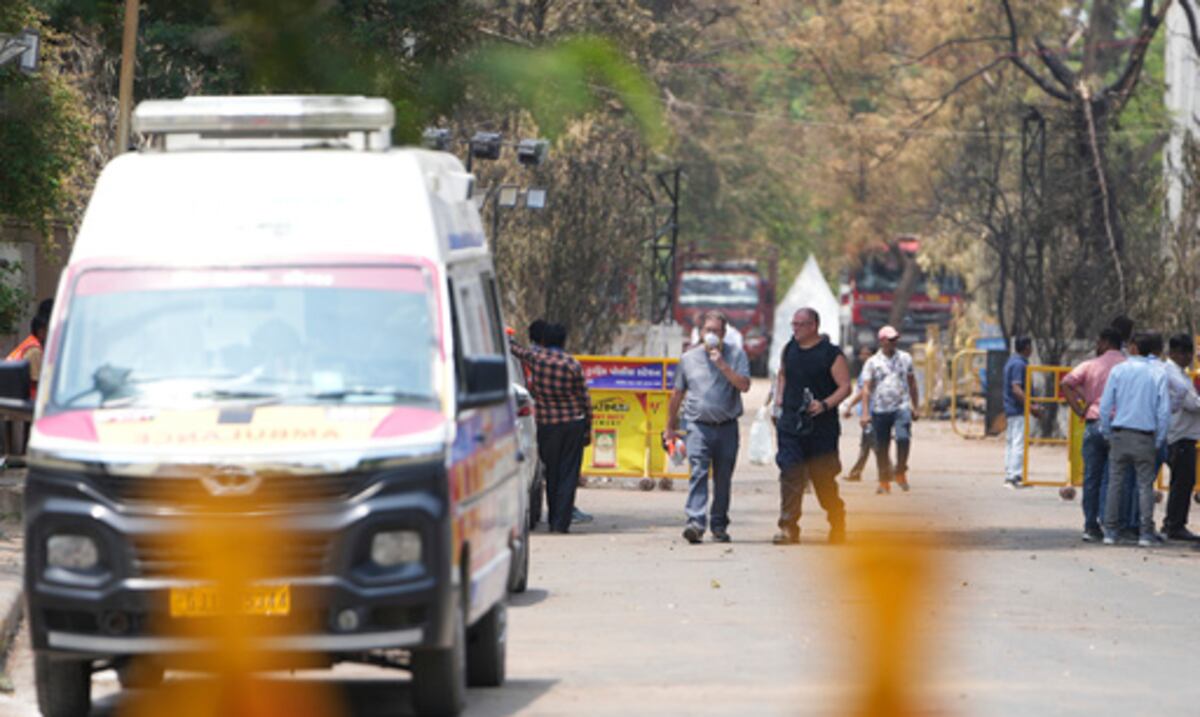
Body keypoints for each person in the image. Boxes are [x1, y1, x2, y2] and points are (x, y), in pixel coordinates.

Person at [664, 310, 750, 544]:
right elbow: (677, 393)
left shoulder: (736, 355)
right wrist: (670, 426)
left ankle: (719, 525)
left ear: (724, 333)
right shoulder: (688, 359)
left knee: (723, 478)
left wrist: (723, 365)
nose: (712, 335)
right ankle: (695, 523)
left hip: (727, 426)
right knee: (698, 473)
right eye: (708, 330)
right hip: (697, 426)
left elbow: (744, 385)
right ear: (700, 332)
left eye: (717, 331)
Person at [771, 307, 851, 545]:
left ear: (813, 326)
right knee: (790, 473)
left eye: (800, 324)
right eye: (793, 324)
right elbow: (782, 374)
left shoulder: (831, 354)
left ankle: (837, 521)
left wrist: (825, 404)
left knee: (823, 480)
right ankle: (788, 527)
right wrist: (779, 399)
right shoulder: (789, 349)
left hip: (821, 428)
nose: (795, 329)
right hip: (791, 424)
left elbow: (845, 387)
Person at [511, 322, 592, 534]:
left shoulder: (536, 358)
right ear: (563, 342)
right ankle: (560, 523)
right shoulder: (572, 364)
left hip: (547, 424)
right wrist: (588, 427)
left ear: (545, 340)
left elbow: (516, 350)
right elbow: (584, 398)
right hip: (573, 424)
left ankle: (553, 517)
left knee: (552, 473)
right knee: (569, 474)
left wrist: (507, 337)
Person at [1098, 332, 1171, 547]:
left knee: (1115, 483)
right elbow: (1164, 411)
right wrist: (1159, 439)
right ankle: (1145, 533)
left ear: (1134, 347)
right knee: (1144, 486)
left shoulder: (1119, 370)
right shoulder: (1158, 373)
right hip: (1145, 436)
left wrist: (1107, 432)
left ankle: (1111, 531)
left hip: (1120, 433)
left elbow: (1105, 406)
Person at [1060, 328, 1125, 542]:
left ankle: (1090, 526)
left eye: (1099, 341)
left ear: (1105, 342)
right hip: (1119, 426)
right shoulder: (1127, 366)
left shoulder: (1090, 365)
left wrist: (1079, 410)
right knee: (1112, 478)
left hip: (1093, 423)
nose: (1097, 345)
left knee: (1091, 477)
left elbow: (1066, 383)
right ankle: (1109, 524)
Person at [860, 325, 918, 494]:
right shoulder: (872, 362)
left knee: (903, 438)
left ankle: (900, 470)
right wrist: (865, 413)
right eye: (890, 340)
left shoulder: (905, 358)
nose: (894, 342)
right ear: (882, 341)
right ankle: (884, 481)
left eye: (895, 339)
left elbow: (912, 383)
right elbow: (866, 388)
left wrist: (915, 406)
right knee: (882, 447)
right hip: (880, 409)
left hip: (901, 406)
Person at [1162, 334, 1200, 541]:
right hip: (1180, 435)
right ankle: (1175, 525)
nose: (1189, 358)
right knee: (1183, 481)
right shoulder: (1174, 375)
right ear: (1175, 353)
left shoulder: (1179, 373)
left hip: (1181, 434)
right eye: (1185, 354)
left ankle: (1172, 522)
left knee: (1182, 481)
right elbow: (1193, 404)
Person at [1002, 337, 1038, 489]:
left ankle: (1009, 474)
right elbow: (1016, 388)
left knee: (1011, 443)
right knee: (1018, 443)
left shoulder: (1012, 361)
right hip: (1017, 409)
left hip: (1011, 409)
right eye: (1030, 346)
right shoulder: (1019, 364)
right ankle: (1015, 476)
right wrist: (1031, 406)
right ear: (1026, 347)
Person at [842, 344, 876, 482]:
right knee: (867, 444)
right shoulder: (865, 371)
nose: (864, 357)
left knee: (872, 443)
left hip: (871, 412)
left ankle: (889, 470)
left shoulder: (871, 371)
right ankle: (856, 473)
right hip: (866, 413)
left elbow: (863, 392)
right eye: (863, 354)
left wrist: (850, 405)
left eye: (868, 354)